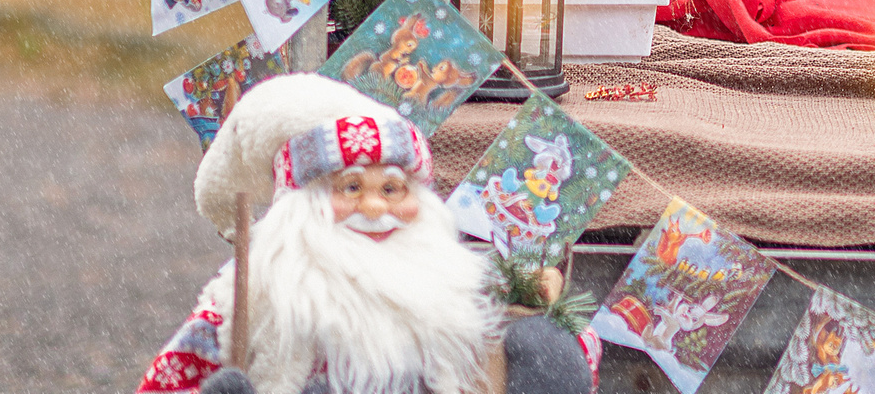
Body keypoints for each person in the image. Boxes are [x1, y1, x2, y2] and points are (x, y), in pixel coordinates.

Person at [139, 74, 593, 394]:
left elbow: (574, 358)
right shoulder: (247, 300)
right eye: (351, 187)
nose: (375, 208)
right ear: (303, 204)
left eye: (392, 189)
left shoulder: (456, 291)